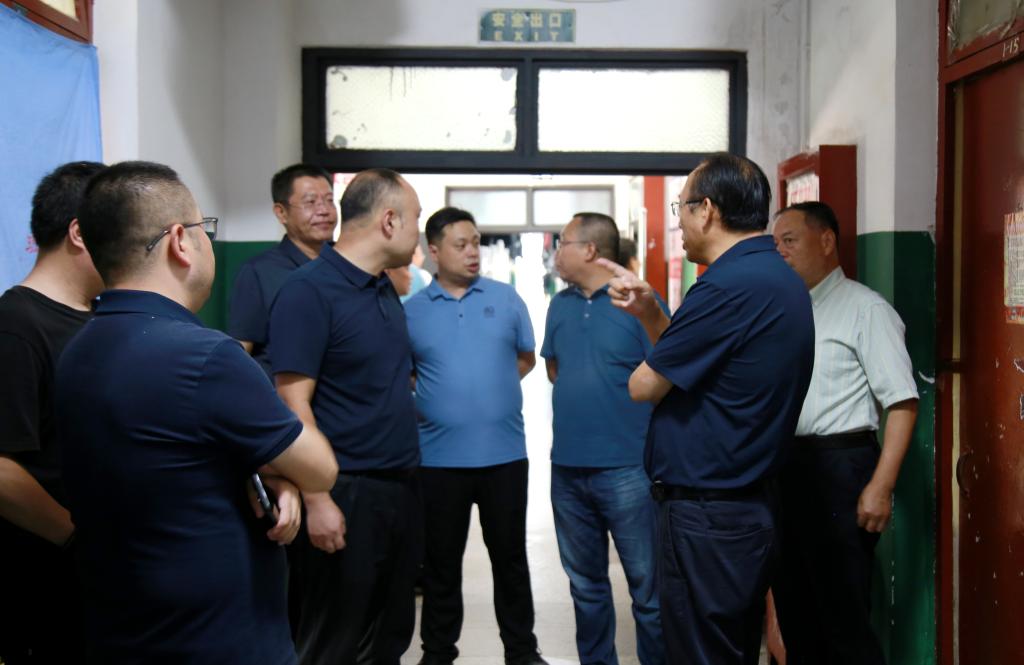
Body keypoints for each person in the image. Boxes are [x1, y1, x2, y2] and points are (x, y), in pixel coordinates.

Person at [54, 161, 338, 664]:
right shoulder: (207, 357)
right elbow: (319, 468)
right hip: (219, 638)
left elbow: (173, 462)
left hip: (119, 629)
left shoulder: (78, 350)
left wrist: (263, 472)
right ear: (180, 241)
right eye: (205, 228)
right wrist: (284, 469)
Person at [601, 152, 815, 665]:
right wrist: (651, 312)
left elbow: (645, 385)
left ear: (708, 210)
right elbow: (694, 364)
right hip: (742, 506)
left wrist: (638, 359)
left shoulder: (727, 286)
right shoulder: (775, 276)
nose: (679, 222)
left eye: (682, 208)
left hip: (710, 516)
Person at [270, 168, 424, 665]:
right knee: (336, 641)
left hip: (399, 487)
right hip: (344, 492)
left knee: (390, 635)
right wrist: (317, 498)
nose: (418, 232)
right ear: (389, 220)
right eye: (416, 218)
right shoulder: (309, 291)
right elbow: (293, 405)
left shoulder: (383, 288)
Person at [771, 201, 919, 665]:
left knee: (842, 617)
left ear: (827, 241)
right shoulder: (786, 311)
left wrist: (881, 486)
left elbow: (902, 402)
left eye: (789, 241)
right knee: (796, 610)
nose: (780, 252)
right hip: (786, 468)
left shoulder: (866, 309)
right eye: (775, 244)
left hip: (841, 467)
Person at [404, 207, 546, 665]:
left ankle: (522, 651)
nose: (472, 252)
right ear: (434, 250)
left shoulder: (506, 299)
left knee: (510, 560)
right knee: (440, 564)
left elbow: (525, 359)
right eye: (460, 244)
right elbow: (407, 374)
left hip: (504, 457)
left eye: (476, 243)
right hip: (437, 461)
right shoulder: (412, 312)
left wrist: (486, 394)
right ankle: (437, 652)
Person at [542, 212, 664, 665]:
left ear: (589, 250)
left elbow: (669, 369)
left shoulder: (641, 303)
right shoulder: (560, 305)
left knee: (649, 592)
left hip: (629, 469)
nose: (557, 252)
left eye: (563, 242)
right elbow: (555, 369)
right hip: (568, 470)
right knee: (586, 589)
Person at [0, 160, 105, 663]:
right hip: (48, 579)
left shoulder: (103, 317)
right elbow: (2, 470)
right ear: (80, 234)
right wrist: (79, 540)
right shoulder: (16, 324)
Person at [228, 163, 338, 375]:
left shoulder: (345, 264)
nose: (324, 210)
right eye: (310, 202)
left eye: (329, 200)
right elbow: (241, 352)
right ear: (281, 213)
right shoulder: (259, 272)